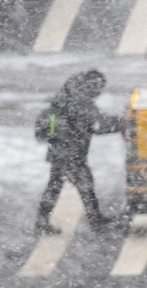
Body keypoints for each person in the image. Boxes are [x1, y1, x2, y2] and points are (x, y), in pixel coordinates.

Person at [35, 69, 125, 234]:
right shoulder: (81, 102)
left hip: (60, 150)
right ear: (90, 85)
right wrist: (124, 122)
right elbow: (99, 125)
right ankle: (96, 221)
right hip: (72, 152)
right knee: (85, 185)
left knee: (56, 186)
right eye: (98, 87)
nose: (99, 91)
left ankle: (42, 221)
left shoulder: (66, 97)